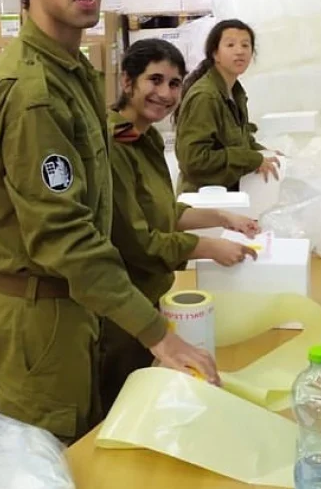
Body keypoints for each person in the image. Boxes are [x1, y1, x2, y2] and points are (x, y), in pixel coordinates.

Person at [0, 0, 219, 446]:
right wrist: (158, 336)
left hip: (72, 307)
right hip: (38, 321)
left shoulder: (70, 70)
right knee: (50, 460)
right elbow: (65, 236)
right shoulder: (35, 94)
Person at [101, 38, 263, 411]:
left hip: (151, 296)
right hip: (123, 308)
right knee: (123, 408)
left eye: (174, 84)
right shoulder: (113, 145)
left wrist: (223, 218)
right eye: (154, 80)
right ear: (127, 81)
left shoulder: (144, 138)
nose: (165, 93)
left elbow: (162, 210)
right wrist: (208, 248)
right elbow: (137, 240)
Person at [174, 19, 281, 194]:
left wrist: (264, 153)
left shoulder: (235, 93)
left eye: (245, 45)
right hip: (204, 199)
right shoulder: (206, 97)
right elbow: (193, 161)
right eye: (230, 45)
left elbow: (240, 139)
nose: (239, 51)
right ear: (215, 53)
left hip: (230, 192)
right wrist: (251, 159)